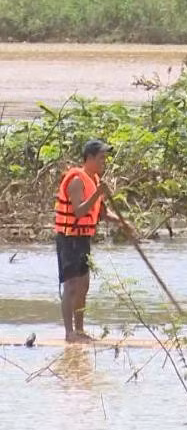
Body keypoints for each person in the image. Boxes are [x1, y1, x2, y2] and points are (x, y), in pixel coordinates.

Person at [55, 140, 123, 343]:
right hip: (69, 237)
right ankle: (69, 333)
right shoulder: (77, 180)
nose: (104, 161)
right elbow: (79, 210)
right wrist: (97, 194)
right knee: (71, 285)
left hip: (83, 238)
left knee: (84, 284)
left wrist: (122, 222)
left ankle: (80, 329)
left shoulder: (93, 179)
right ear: (90, 158)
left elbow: (101, 213)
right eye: (101, 157)